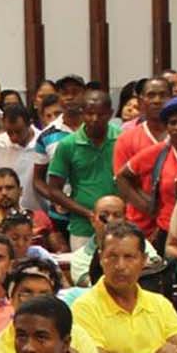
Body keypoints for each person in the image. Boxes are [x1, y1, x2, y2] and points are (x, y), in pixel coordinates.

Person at [72, 223, 177, 353]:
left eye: (129, 257)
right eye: (112, 256)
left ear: (144, 259)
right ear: (100, 258)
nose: (120, 265)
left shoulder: (160, 304)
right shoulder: (84, 307)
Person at [119, 95, 177, 241]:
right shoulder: (157, 152)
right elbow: (122, 177)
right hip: (166, 231)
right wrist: (147, 207)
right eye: (172, 123)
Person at [37, 95, 119, 244]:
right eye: (89, 114)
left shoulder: (122, 139)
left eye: (100, 114)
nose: (94, 119)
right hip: (82, 227)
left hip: (120, 225)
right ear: (83, 113)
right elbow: (54, 189)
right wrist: (88, 214)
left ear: (111, 114)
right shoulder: (68, 145)